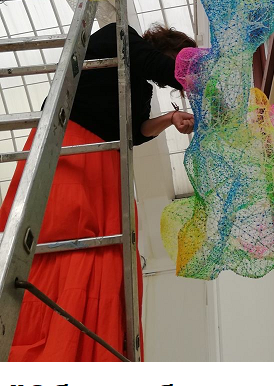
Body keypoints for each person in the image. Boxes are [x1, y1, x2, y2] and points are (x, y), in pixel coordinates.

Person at [0, 22, 196, 362]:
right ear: (169, 46)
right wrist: (204, 75)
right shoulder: (120, 35)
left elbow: (135, 131)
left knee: (108, 250)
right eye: (181, 59)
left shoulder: (142, 85)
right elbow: (156, 65)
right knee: (65, 231)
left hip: (105, 160)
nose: (177, 71)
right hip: (69, 143)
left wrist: (170, 118)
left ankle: (77, 343)